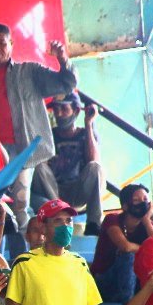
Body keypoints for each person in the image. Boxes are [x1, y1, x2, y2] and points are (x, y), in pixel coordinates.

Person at [0, 24, 77, 256]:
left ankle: (28, 257)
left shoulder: (29, 72)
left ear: (11, 45)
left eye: (1, 43)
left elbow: (67, 84)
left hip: (23, 151)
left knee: (20, 203)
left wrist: (63, 59)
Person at [34, 92, 104, 235]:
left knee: (95, 168)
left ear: (76, 111)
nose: (59, 114)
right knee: (38, 166)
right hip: (54, 191)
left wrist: (88, 123)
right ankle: (58, 213)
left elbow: (94, 160)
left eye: (64, 109)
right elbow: (42, 164)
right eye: (56, 109)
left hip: (78, 192)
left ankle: (94, 224)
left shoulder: (86, 133)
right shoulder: (49, 134)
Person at [91, 184, 153, 304]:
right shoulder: (112, 220)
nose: (143, 203)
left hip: (135, 283)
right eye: (136, 200)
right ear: (125, 206)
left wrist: (147, 221)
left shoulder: (150, 226)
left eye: (146, 199)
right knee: (128, 256)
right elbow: (125, 247)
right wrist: (146, 249)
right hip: (105, 283)